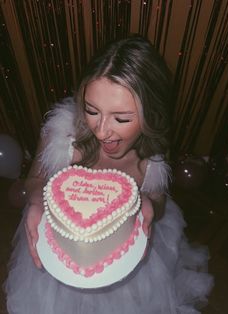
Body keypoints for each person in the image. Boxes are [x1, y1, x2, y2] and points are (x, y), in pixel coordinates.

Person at [4, 35, 213, 314]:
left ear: (151, 115)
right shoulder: (61, 135)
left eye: (121, 118)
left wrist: (150, 205)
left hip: (124, 253)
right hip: (62, 253)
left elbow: (156, 198)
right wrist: (36, 200)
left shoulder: (152, 155)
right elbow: (35, 180)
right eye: (92, 111)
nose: (101, 130)